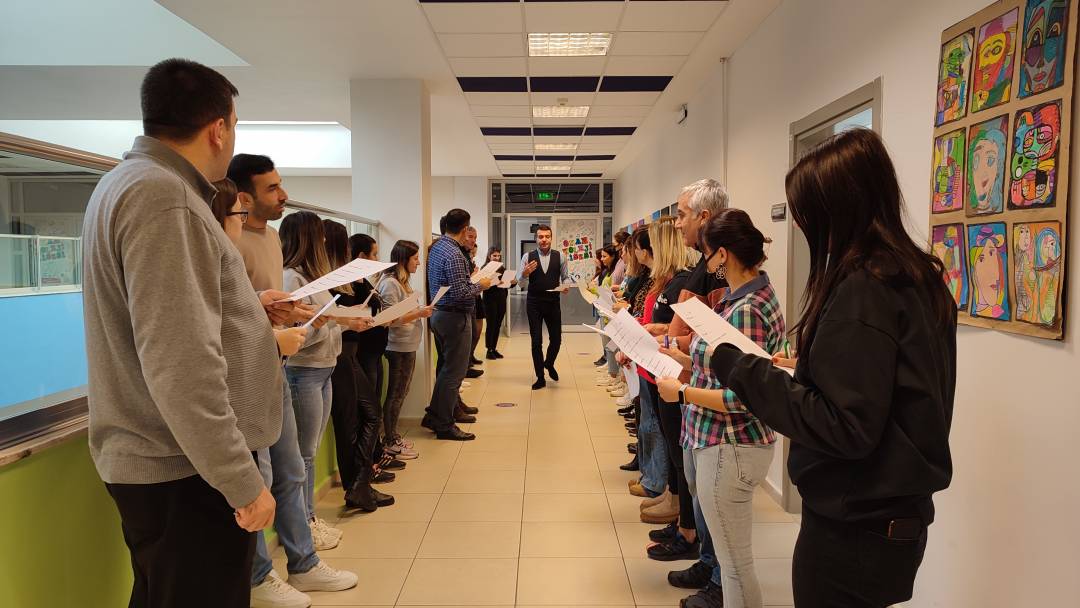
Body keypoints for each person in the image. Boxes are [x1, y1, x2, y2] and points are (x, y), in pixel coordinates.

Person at [705, 129, 956, 607]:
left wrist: (740, 367)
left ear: (836, 209)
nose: (802, 227)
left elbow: (843, 425)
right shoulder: (917, 278)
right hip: (892, 519)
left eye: (806, 213)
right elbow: (885, 384)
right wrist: (809, 368)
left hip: (855, 529)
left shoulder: (863, 289)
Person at [83, 58, 284, 608]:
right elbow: (181, 363)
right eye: (234, 125)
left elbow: (170, 318)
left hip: (173, 467)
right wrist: (240, 481)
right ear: (218, 128)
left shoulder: (128, 184)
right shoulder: (165, 197)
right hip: (184, 472)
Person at [213, 177, 358, 607]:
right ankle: (260, 575)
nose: (283, 195)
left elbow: (242, 309)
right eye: (273, 187)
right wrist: (275, 337)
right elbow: (222, 327)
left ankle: (304, 562)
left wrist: (269, 305)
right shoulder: (217, 252)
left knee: (291, 469)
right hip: (251, 380)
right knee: (259, 480)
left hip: (274, 372)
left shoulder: (268, 241)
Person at [656, 209, 786, 608]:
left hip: (730, 444)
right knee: (730, 561)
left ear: (723, 255)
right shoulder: (741, 299)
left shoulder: (746, 309)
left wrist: (682, 393)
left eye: (709, 255)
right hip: (718, 442)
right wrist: (683, 358)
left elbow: (742, 397)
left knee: (734, 566)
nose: (707, 263)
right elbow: (725, 368)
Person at [281, 212, 372, 539]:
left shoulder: (314, 278)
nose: (324, 242)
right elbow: (295, 337)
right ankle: (303, 525)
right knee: (303, 455)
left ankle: (309, 519)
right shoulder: (292, 279)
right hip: (304, 373)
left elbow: (324, 322)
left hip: (324, 369)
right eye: (319, 236)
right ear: (307, 239)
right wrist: (331, 323)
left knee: (310, 450)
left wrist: (344, 322)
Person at [661, 177, 730, 596]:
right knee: (695, 486)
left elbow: (718, 339)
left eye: (683, 215)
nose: (678, 223)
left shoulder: (721, 272)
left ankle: (718, 577)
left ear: (704, 217)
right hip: (690, 389)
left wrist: (676, 344)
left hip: (706, 397)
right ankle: (707, 562)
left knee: (711, 498)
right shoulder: (703, 266)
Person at [424, 208, 493, 440]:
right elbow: (461, 293)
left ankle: (435, 415)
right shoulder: (454, 254)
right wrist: (481, 285)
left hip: (441, 315)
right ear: (464, 229)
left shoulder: (437, 248)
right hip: (454, 318)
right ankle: (444, 424)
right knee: (453, 374)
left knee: (446, 369)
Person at [378, 240, 433, 458]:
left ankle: (393, 436)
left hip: (407, 344)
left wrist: (418, 310)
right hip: (397, 346)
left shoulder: (402, 282)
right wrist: (418, 313)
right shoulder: (390, 284)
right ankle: (390, 441)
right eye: (415, 258)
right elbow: (390, 319)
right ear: (403, 259)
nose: (418, 263)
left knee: (401, 392)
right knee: (396, 394)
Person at [516, 224, 570, 390]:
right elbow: (520, 283)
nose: (544, 239)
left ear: (551, 238)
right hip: (534, 303)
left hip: (553, 302)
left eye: (547, 236)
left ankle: (549, 363)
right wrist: (524, 273)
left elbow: (566, 277)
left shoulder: (560, 256)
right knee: (536, 341)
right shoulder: (527, 256)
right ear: (536, 239)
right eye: (540, 237)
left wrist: (566, 285)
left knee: (556, 339)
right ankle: (540, 377)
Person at [481, 246, 514, 359]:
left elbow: (507, 284)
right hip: (490, 300)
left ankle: (493, 348)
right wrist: (496, 282)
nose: (497, 257)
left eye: (498, 255)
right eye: (494, 255)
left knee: (498, 324)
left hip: (501, 299)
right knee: (491, 325)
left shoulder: (502, 268)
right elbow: (482, 284)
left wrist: (512, 282)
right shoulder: (485, 268)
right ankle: (489, 350)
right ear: (489, 256)